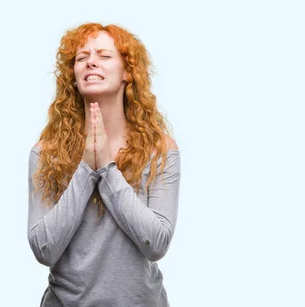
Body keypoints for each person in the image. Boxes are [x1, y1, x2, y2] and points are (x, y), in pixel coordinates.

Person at [27, 22, 181, 307]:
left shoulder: (160, 150)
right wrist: (86, 169)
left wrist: (107, 169)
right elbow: (44, 249)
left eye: (104, 56)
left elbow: (156, 244)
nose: (91, 62)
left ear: (127, 73)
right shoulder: (46, 152)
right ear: (72, 76)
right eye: (82, 58)